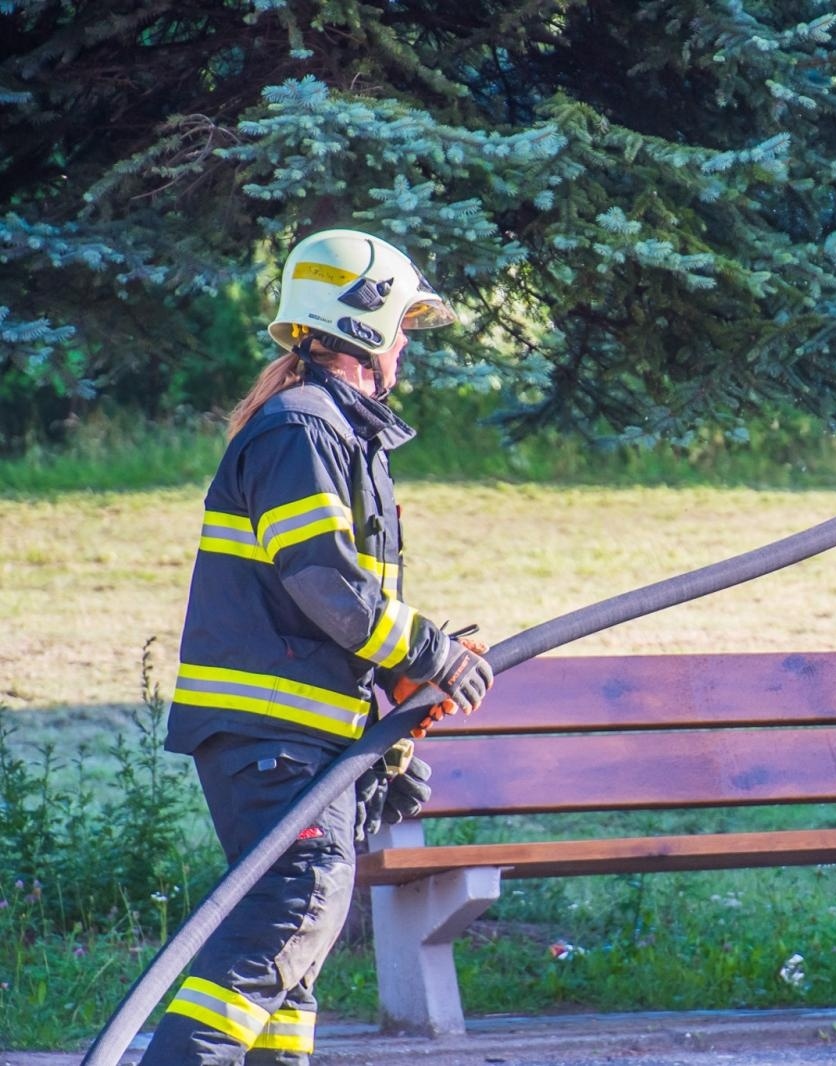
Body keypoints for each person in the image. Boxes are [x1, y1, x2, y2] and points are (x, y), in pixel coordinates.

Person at [143, 228, 495, 1066]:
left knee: (296, 955)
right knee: (294, 910)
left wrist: (384, 738)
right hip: (271, 737)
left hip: (300, 737)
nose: (408, 340)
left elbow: (339, 612)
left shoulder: (336, 430)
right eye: (403, 322)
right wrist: (435, 653)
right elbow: (328, 586)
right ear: (362, 322)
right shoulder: (301, 431)